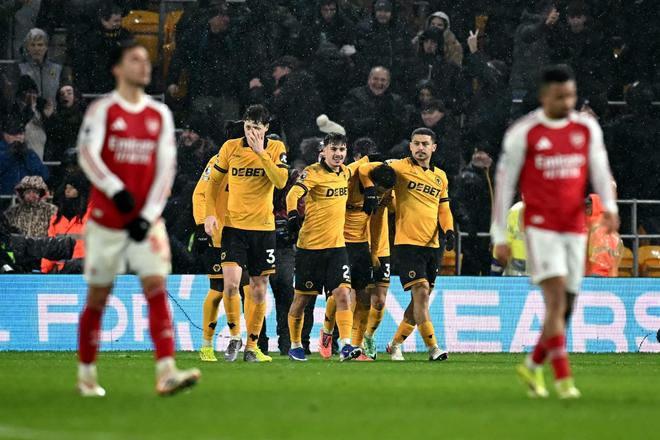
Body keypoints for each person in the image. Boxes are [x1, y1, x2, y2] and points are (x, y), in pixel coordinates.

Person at [76, 39, 199, 397]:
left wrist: (147, 215)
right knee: (98, 297)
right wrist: (115, 189)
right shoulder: (102, 110)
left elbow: (166, 169)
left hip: (146, 223)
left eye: (147, 60)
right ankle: (87, 376)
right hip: (106, 221)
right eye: (135, 59)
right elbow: (87, 153)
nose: (145, 65)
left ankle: (167, 372)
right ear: (117, 68)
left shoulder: (159, 114)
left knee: (157, 289)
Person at [491, 65, 619, 399]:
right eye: (561, 97)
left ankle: (532, 364)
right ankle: (564, 380)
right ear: (545, 96)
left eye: (571, 96)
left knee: (567, 306)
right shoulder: (524, 132)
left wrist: (610, 207)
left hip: (575, 226)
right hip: (540, 228)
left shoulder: (585, 128)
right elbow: (504, 185)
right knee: (557, 299)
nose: (568, 103)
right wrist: (499, 234)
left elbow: (600, 168)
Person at [204, 105, 288, 363]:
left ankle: (252, 346)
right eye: (248, 127)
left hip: (263, 229)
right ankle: (234, 337)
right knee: (231, 285)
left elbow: (281, 181)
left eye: (257, 128)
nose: (251, 132)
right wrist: (210, 214)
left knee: (259, 290)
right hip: (234, 228)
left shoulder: (276, 148)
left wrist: (261, 153)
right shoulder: (230, 147)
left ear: (267, 128)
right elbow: (213, 183)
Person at [362, 128, 454, 362]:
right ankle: (433, 348)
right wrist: (373, 191)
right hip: (407, 244)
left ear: (434, 147)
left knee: (418, 301)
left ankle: (394, 345)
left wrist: (449, 230)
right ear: (410, 146)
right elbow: (367, 170)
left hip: (433, 245)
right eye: (416, 144)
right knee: (421, 291)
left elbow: (443, 208)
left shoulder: (441, 177)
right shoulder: (399, 167)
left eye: (425, 144)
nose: (420, 148)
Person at [285, 132, 365, 362]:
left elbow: (363, 164)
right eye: (334, 149)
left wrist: (380, 162)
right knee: (301, 300)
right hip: (310, 248)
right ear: (324, 151)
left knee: (343, 294)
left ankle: (346, 344)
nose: (338, 154)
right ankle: (295, 345)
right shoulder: (312, 173)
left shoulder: (346, 172)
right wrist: (292, 215)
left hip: (337, 248)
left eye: (342, 150)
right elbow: (293, 194)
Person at [343, 160, 395, 360]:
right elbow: (364, 166)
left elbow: (385, 215)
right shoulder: (353, 180)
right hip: (354, 243)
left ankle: (367, 338)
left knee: (378, 301)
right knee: (347, 294)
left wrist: (374, 252)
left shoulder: (387, 184)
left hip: (378, 246)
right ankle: (337, 336)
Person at [340, 66, 409, 153]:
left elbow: (403, 126)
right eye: (375, 79)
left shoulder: (395, 100)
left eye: (383, 80)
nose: (378, 83)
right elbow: (349, 123)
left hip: (390, 147)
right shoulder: (355, 96)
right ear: (369, 79)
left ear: (388, 83)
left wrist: (390, 116)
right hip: (361, 144)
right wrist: (375, 119)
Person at [41, 176, 90, 274]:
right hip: (62, 273)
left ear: (80, 191)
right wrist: (44, 270)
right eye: (66, 188)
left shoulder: (90, 215)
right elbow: (51, 247)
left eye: (72, 188)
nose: (67, 191)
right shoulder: (56, 218)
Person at [0, 116, 48, 195]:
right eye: (14, 134)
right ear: (5, 135)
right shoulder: (2, 152)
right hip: (3, 197)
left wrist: (27, 156)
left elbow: (43, 175)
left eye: (21, 133)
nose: (18, 137)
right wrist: (9, 155)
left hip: (25, 198)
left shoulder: (29, 153)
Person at [18, 28, 65, 105]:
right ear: (27, 47)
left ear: (46, 47)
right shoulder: (20, 69)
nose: (36, 49)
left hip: (53, 111)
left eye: (40, 45)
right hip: (29, 111)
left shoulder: (57, 69)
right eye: (33, 45)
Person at [44, 84, 85, 162]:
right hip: (60, 159)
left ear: (75, 97)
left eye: (69, 93)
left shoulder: (84, 115)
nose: (65, 96)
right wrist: (49, 118)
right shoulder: (55, 117)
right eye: (62, 94)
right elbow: (52, 138)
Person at [585, 193, 622, 277]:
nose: (586, 210)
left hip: (598, 277)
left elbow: (602, 261)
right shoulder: (609, 228)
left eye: (588, 207)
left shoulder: (597, 229)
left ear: (594, 207)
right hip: (610, 277)